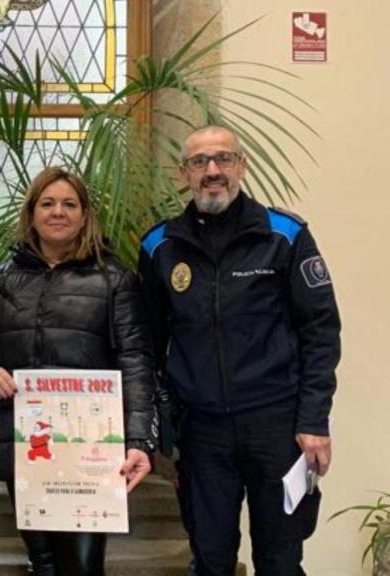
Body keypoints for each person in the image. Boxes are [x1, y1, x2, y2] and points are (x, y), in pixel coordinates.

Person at [138, 125, 341, 575]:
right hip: (201, 431)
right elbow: (146, 344)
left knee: (280, 560)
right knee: (210, 559)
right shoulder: (160, 246)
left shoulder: (284, 236)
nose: (212, 171)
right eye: (200, 162)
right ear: (183, 173)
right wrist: (161, 426)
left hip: (277, 427)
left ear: (241, 165)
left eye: (224, 159)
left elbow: (320, 333)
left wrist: (314, 420)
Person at [0, 166, 156, 575]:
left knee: (83, 567)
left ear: (85, 215)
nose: (58, 212)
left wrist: (139, 439)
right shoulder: (0, 281)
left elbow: (136, 360)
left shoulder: (115, 279)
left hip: (92, 448)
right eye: (47, 203)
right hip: (24, 443)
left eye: (69, 204)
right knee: (43, 562)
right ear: (31, 213)